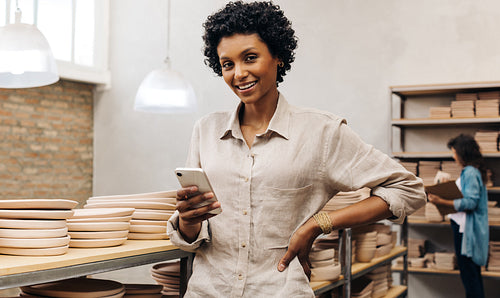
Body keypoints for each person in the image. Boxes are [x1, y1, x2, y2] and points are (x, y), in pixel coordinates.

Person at [167, 1, 426, 297]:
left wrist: (318, 224)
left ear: (277, 56)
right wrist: (187, 221)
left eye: (250, 58)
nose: (238, 73)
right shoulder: (205, 131)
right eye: (228, 64)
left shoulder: (322, 132)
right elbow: (192, 237)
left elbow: (409, 189)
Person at [428, 134, 489, 298]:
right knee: (472, 276)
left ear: (462, 153)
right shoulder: (472, 171)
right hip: (465, 228)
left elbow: (470, 203)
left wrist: (442, 201)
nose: (453, 156)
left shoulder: (470, 172)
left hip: (465, 231)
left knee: (469, 277)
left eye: (454, 152)